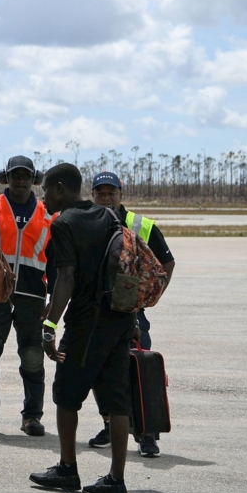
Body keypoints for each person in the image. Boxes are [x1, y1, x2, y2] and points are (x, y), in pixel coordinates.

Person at [30, 163, 134, 493]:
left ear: (60, 188)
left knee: (65, 396)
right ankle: (115, 480)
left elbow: (66, 279)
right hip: (121, 319)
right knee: (117, 401)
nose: (42, 196)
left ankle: (67, 469)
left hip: (88, 322)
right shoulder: (108, 216)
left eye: (45, 188)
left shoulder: (64, 223)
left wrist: (49, 326)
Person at [88, 171, 176, 457]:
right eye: (100, 193)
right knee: (98, 374)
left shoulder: (142, 225)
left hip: (132, 313)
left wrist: (151, 296)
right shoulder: (88, 224)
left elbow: (167, 261)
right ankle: (111, 424)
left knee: (137, 372)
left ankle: (147, 433)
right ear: (92, 196)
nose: (106, 197)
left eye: (111, 192)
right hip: (97, 312)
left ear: (121, 194)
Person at [0, 155, 55, 439]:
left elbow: (55, 260)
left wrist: (54, 298)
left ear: (34, 179)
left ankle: (32, 417)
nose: (20, 181)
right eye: (15, 175)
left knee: (32, 356)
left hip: (32, 295)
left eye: (26, 176)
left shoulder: (48, 213)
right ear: (5, 177)